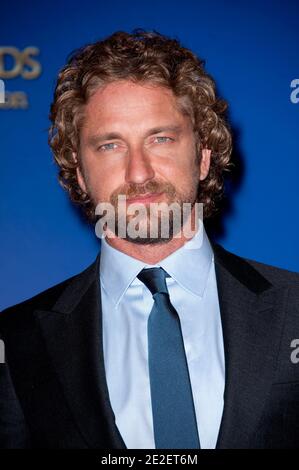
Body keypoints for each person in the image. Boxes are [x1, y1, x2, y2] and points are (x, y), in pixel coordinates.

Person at [0, 30, 298, 450]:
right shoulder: (15, 341)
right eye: (110, 145)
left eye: (161, 138)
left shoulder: (295, 308)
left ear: (203, 156)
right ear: (80, 173)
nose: (139, 173)